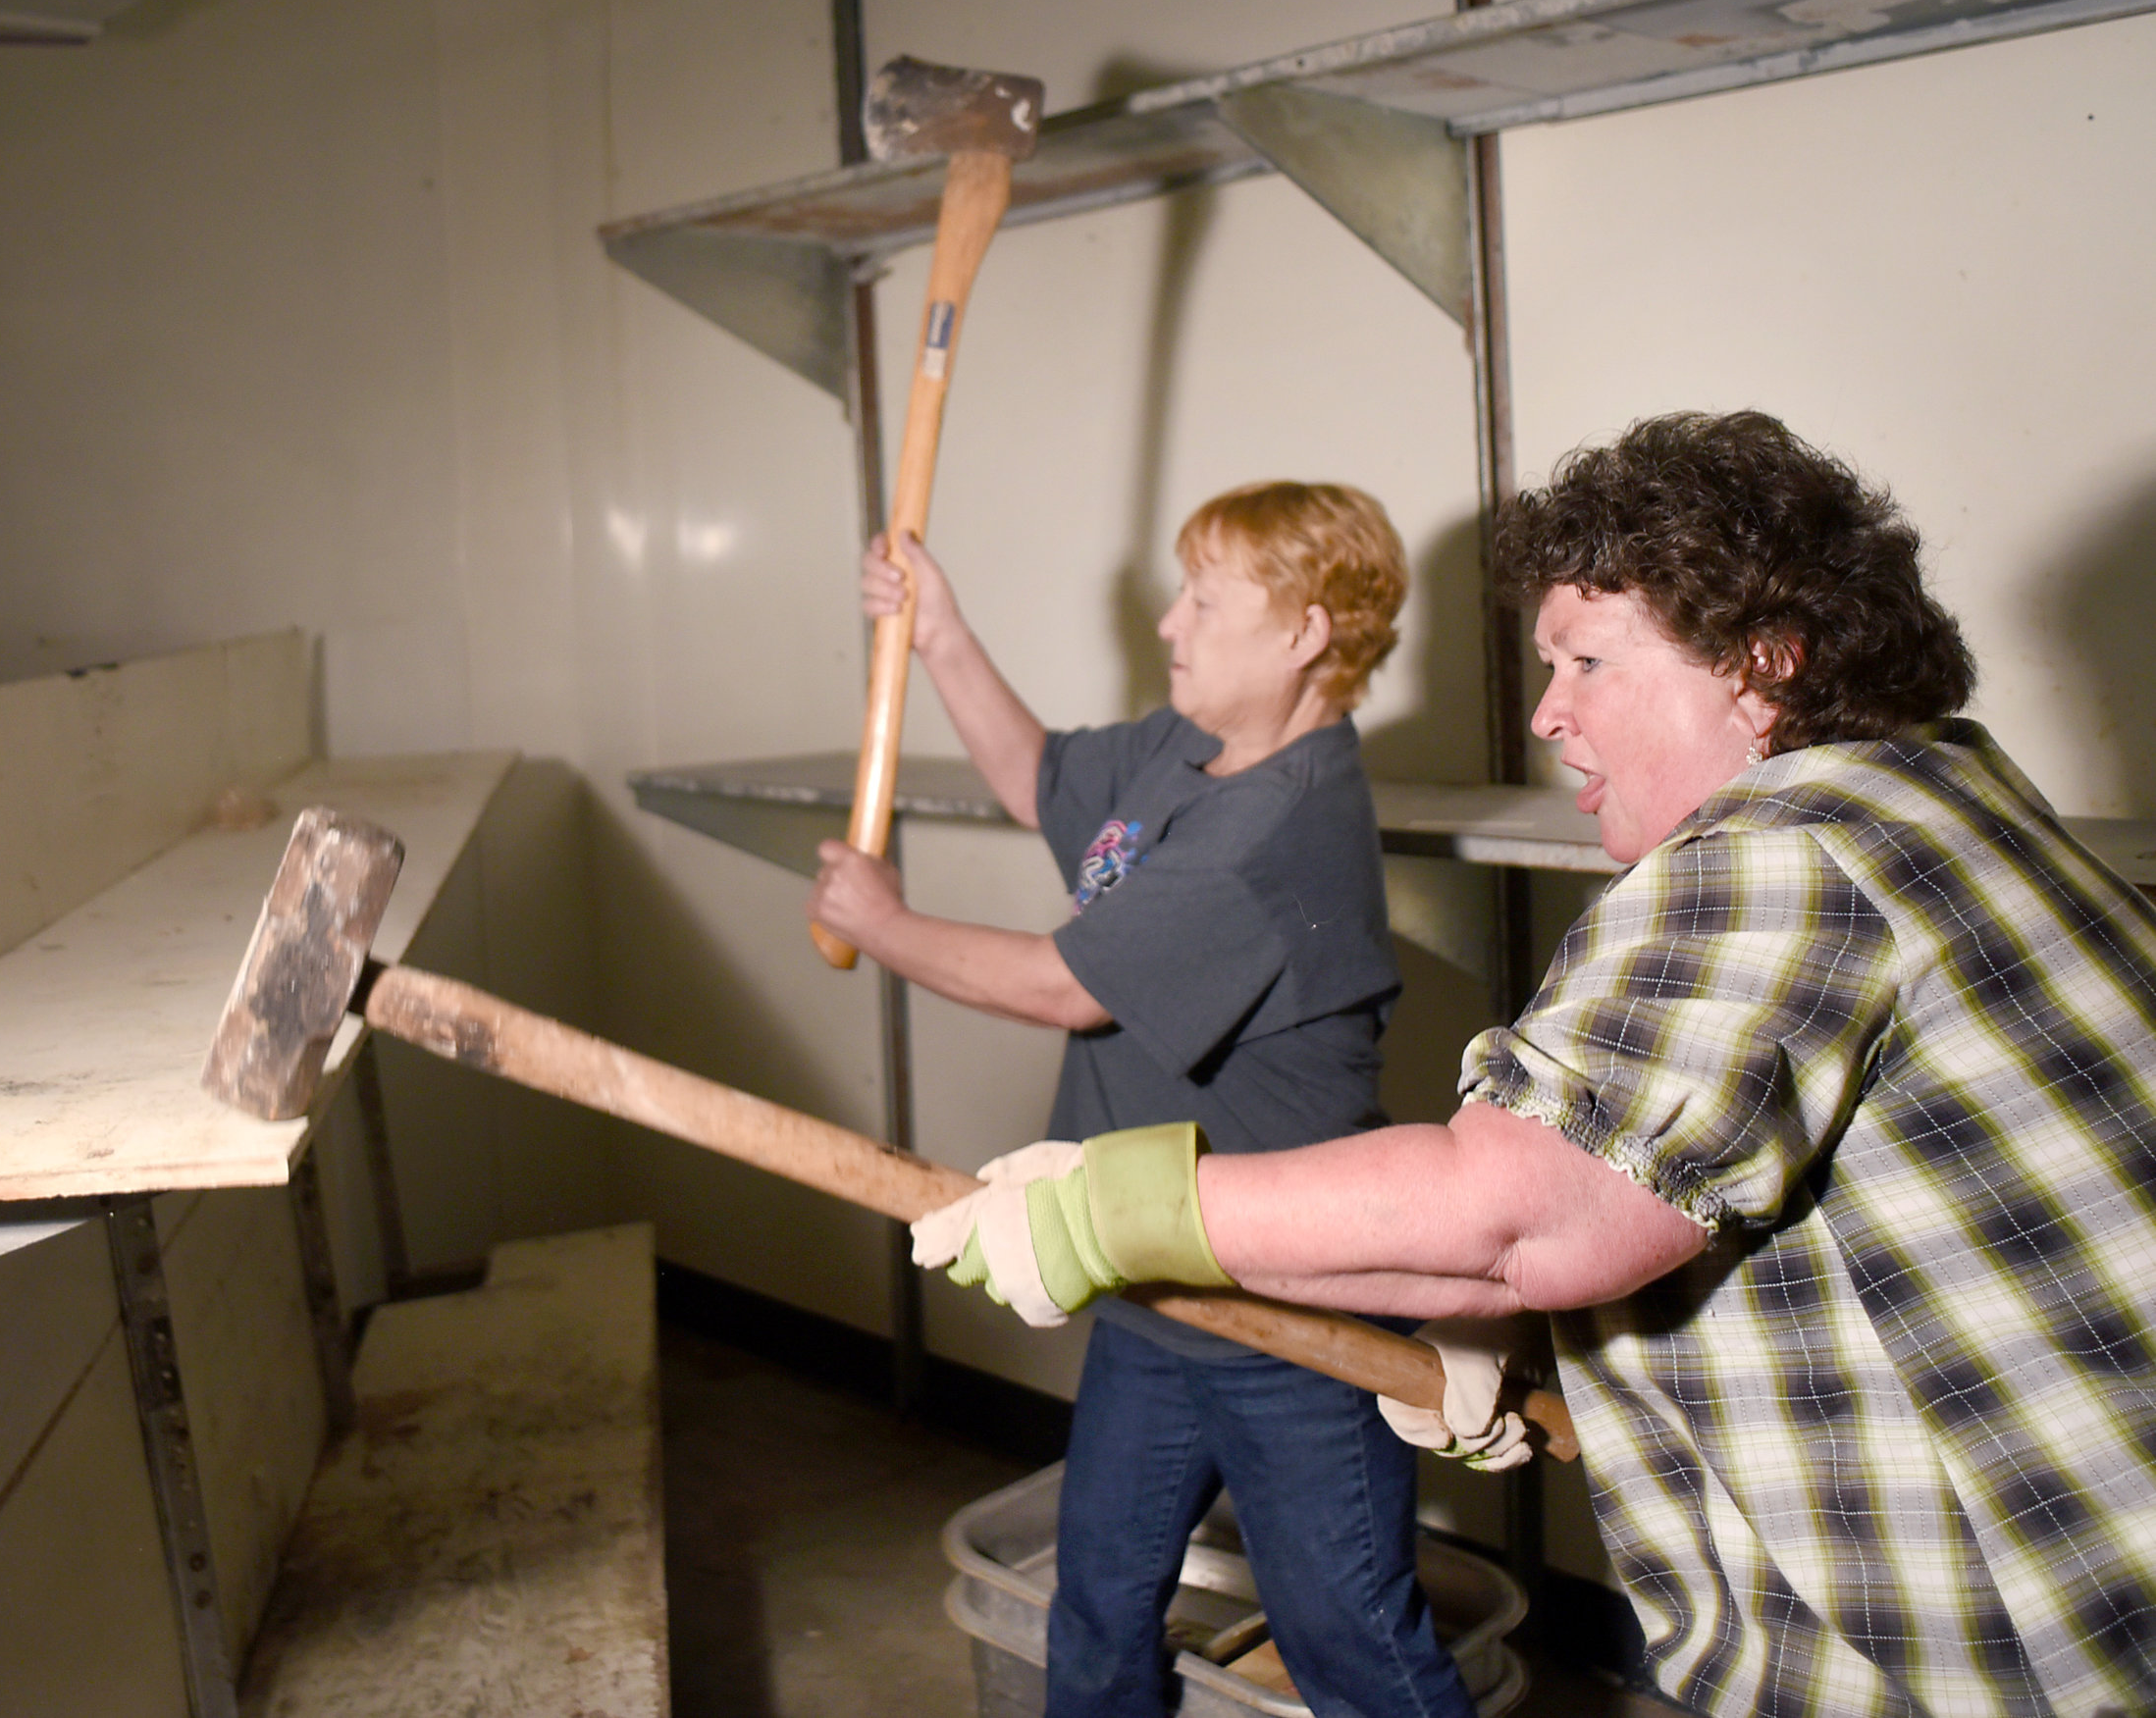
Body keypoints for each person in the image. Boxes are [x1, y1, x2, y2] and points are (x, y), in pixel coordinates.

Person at [912, 411, 2156, 1718]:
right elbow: (1633, 1200)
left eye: (1589, 661)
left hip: (2005, 1656)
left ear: (1763, 664)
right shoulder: (1951, 799)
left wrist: (1107, 1209)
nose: (1549, 710)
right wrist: (1484, 1336)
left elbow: (1517, 1211)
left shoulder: (1785, 854)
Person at [809, 483, 1475, 1718]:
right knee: (1098, 1610)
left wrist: (883, 925)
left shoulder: (1284, 825)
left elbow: (1067, 988)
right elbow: (1040, 781)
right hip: (1148, 1280)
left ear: (1305, 633)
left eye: (1204, 600)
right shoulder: (1189, 747)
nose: (1170, 624)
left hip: (1289, 1309)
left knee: (1353, 1646)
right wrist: (940, 629)